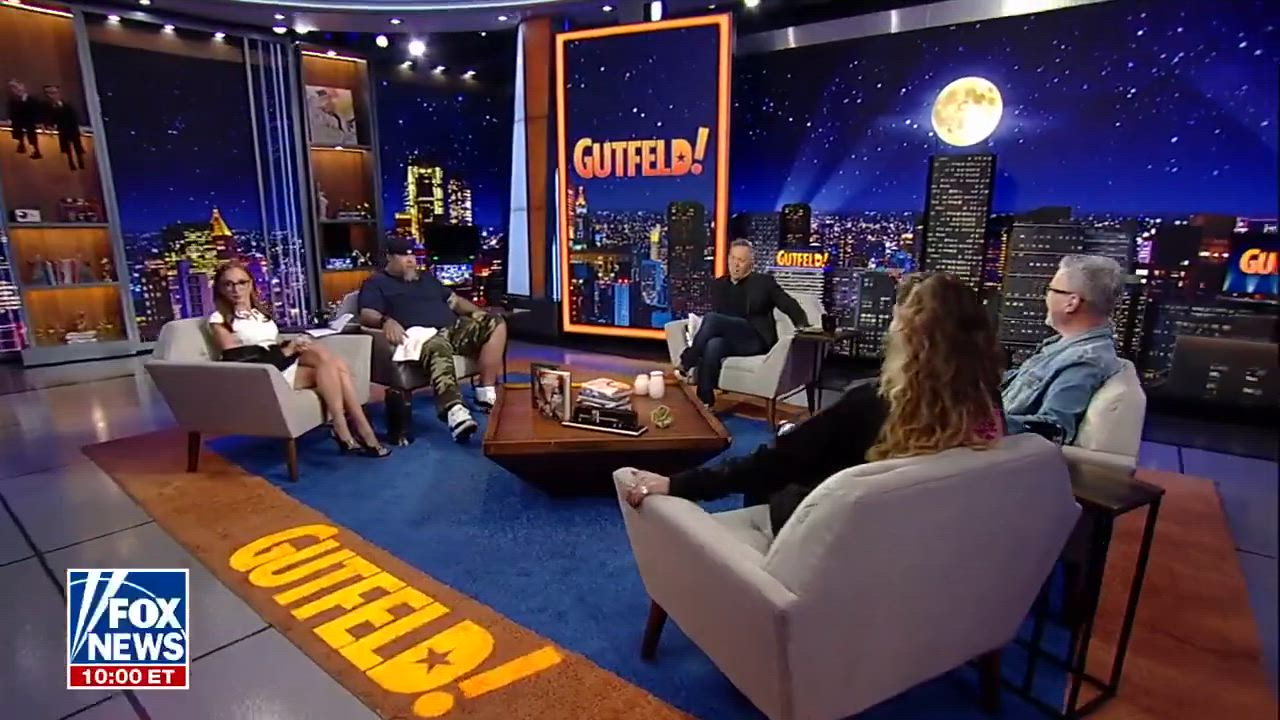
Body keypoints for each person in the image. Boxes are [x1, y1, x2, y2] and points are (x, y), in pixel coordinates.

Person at [626, 272, 1005, 534]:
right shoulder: (987, 404)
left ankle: (759, 563)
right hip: (922, 540)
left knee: (780, 464)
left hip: (837, 534)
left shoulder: (871, 405)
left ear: (907, 335)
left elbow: (771, 464)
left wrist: (677, 484)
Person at [209, 261, 390, 458]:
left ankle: (344, 427)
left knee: (328, 361)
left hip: (278, 362)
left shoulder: (258, 312)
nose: (236, 289)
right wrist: (287, 350)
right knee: (333, 367)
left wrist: (294, 345)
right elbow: (237, 361)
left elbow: (272, 342)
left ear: (250, 284)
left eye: (241, 282)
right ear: (220, 289)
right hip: (260, 374)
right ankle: (359, 428)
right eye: (228, 284)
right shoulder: (219, 319)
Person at [357, 237, 508, 443]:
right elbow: (366, 314)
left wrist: (477, 313)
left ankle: (485, 391)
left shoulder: (426, 278)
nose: (410, 260)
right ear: (389, 258)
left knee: (495, 322)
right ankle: (455, 411)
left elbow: (454, 301)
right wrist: (385, 320)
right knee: (437, 345)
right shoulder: (376, 283)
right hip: (419, 335)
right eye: (403, 255)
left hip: (451, 328)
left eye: (412, 255)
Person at [1002, 254, 1125, 445]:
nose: (1046, 297)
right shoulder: (1064, 344)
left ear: (1071, 302)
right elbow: (1021, 382)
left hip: (994, 450)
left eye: (1051, 290)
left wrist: (976, 424)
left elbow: (1054, 429)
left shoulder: (1084, 361)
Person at [675, 239, 810, 407]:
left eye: (741, 260)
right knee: (713, 345)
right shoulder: (720, 285)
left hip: (755, 338)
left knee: (711, 319)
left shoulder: (764, 282)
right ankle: (705, 401)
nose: (735, 264)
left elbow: (788, 304)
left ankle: (687, 361)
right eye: (732, 258)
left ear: (750, 263)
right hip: (731, 339)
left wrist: (803, 325)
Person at [42, 84, 84, 171]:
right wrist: (50, 127)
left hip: (72, 129)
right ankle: (71, 164)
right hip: (63, 130)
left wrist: (79, 127)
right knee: (67, 149)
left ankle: (81, 163)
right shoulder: (48, 107)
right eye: (50, 93)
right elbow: (50, 119)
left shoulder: (68, 105)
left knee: (77, 147)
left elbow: (74, 117)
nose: (53, 96)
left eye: (54, 93)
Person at [6, 80, 41, 159]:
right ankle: (21, 145)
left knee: (31, 134)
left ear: (23, 87)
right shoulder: (13, 102)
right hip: (18, 126)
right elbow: (12, 114)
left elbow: (37, 113)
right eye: (13, 88)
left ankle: (35, 150)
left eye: (17, 87)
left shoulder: (33, 100)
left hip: (30, 125)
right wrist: (10, 119)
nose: (16, 90)